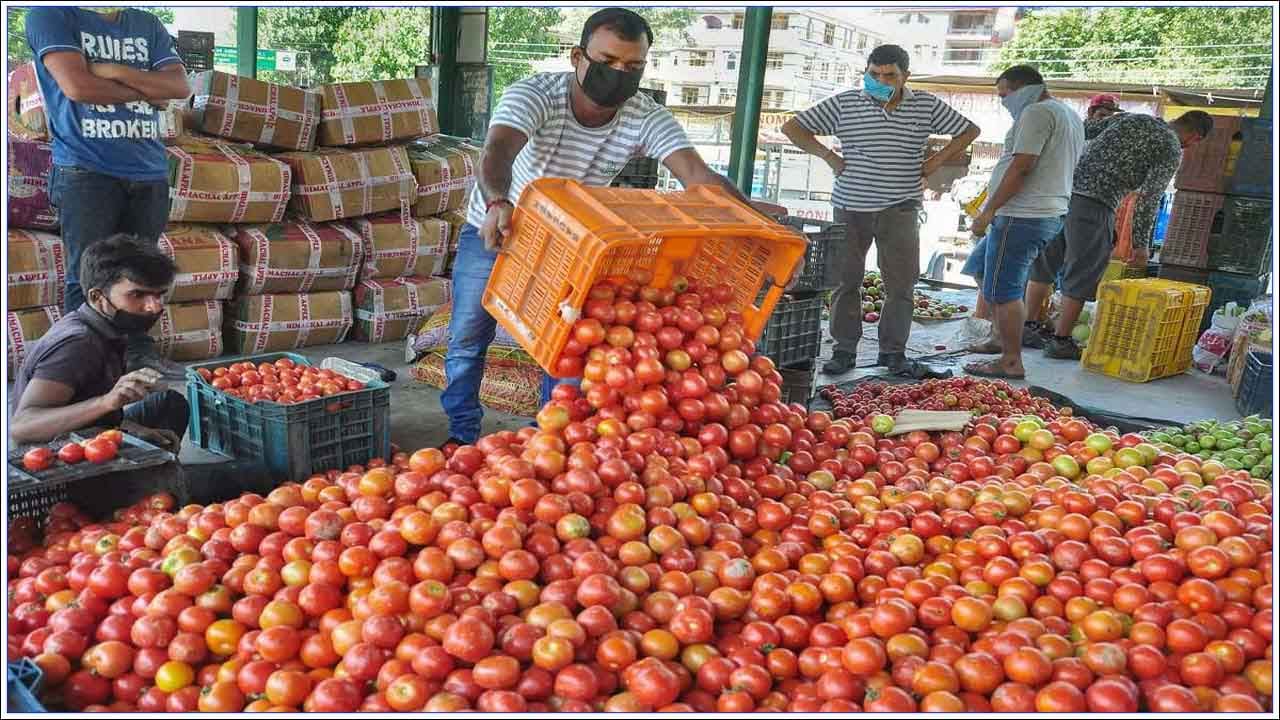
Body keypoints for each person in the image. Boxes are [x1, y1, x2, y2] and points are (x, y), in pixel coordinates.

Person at [445, 8, 776, 446]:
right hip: (499, 225)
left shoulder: (643, 114)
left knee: (565, 348)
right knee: (469, 336)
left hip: (573, 245)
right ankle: (460, 434)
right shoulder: (535, 94)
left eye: (633, 66)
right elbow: (498, 150)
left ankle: (550, 439)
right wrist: (497, 202)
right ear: (578, 56)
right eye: (608, 62)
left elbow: (697, 177)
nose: (620, 74)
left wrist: (755, 221)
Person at [782, 44, 979, 376]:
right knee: (846, 283)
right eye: (874, 74)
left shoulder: (926, 105)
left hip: (900, 208)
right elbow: (794, 128)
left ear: (906, 77)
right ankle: (844, 351)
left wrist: (935, 161)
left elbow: (969, 130)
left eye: (889, 75)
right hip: (850, 207)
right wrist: (829, 156)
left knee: (901, 285)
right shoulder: (845, 103)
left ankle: (893, 352)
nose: (880, 80)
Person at [25, 6, 190, 377]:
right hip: (86, 170)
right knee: (87, 274)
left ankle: (136, 355)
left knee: (143, 275)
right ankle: (80, 365)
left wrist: (111, 70)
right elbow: (78, 87)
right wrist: (148, 88)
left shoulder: (145, 23)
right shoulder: (51, 16)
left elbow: (179, 88)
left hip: (148, 171)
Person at [1022, 109, 1213, 359]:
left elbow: (1082, 130)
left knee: (1044, 265)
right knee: (1084, 272)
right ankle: (1061, 340)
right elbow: (1149, 198)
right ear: (1195, 138)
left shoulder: (1130, 117)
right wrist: (1140, 245)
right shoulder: (1170, 147)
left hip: (1061, 195)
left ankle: (1027, 328)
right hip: (1095, 204)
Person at [10, 234, 189, 451]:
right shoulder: (78, 344)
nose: (154, 307)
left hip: (88, 430)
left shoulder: (109, 328)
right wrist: (106, 402)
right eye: (137, 295)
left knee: (170, 402)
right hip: (59, 454)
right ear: (97, 297)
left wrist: (133, 429)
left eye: (159, 295)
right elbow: (22, 427)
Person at [963, 65, 1084, 380]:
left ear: (1025, 88)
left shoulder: (1037, 113)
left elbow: (1022, 167)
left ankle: (1011, 360)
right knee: (980, 268)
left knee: (1005, 289)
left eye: (1005, 94)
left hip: (1022, 215)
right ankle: (998, 336)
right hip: (1039, 212)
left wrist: (988, 211)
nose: (1004, 101)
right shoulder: (1067, 114)